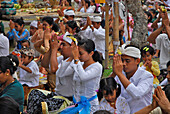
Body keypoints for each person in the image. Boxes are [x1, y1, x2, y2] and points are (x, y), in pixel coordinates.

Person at [60, 39, 103, 113]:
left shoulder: (97, 66)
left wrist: (76, 59)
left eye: (81, 53)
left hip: (90, 105)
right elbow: (62, 73)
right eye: (77, 53)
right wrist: (71, 57)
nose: (78, 56)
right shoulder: (79, 64)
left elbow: (83, 77)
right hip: (76, 104)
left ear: (91, 53)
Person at [111, 45, 153, 114]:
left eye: (127, 61)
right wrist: (114, 73)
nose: (124, 64)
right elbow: (105, 87)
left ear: (137, 61)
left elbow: (137, 94)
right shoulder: (120, 73)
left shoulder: (147, 76)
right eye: (122, 60)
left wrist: (119, 74)